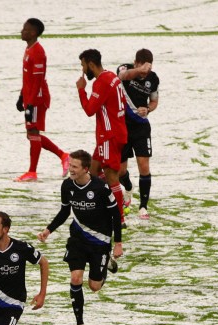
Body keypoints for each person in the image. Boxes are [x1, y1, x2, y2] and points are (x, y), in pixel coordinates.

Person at [38, 150, 122, 325]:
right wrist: (48, 230)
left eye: (74, 167)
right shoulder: (67, 186)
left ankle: (106, 262)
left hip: (100, 241)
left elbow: (115, 214)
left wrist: (118, 243)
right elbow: (64, 211)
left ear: (86, 169)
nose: (70, 169)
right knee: (75, 278)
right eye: (70, 165)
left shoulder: (101, 188)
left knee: (94, 286)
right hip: (77, 239)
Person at [14, 18, 70, 183]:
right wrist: (21, 96)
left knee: (33, 133)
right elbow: (28, 78)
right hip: (30, 97)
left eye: (24, 29)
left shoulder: (38, 52)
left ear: (33, 32)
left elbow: (38, 82)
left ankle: (32, 172)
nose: (21, 31)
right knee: (32, 134)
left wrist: (30, 104)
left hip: (37, 98)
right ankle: (63, 155)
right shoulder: (29, 49)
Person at [77, 49, 128, 223]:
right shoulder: (112, 76)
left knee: (112, 176)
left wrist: (81, 91)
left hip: (109, 136)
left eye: (83, 65)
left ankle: (118, 219)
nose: (83, 70)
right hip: (116, 132)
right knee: (93, 170)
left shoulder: (102, 82)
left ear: (91, 65)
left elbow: (90, 110)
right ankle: (100, 206)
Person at [116, 49, 159, 220]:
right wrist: (138, 71)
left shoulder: (153, 79)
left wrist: (147, 109)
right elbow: (123, 76)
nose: (144, 74)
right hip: (122, 126)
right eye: (141, 69)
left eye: (147, 70)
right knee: (120, 171)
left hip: (141, 127)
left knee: (144, 166)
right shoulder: (124, 69)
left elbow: (155, 101)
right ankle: (128, 187)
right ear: (135, 63)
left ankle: (143, 206)